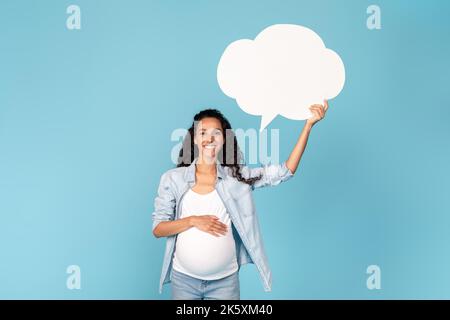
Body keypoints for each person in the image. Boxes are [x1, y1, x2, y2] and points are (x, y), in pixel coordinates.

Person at [152, 101, 329, 299]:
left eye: (216, 133)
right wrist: (193, 220)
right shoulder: (173, 178)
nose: (209, 138)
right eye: (203, 133)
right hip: (184, 280)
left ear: (224, 139)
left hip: (225, 283)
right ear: (193, 138)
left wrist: (308, 126)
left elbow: (285, 171)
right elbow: (158, 229)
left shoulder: (236, 178)